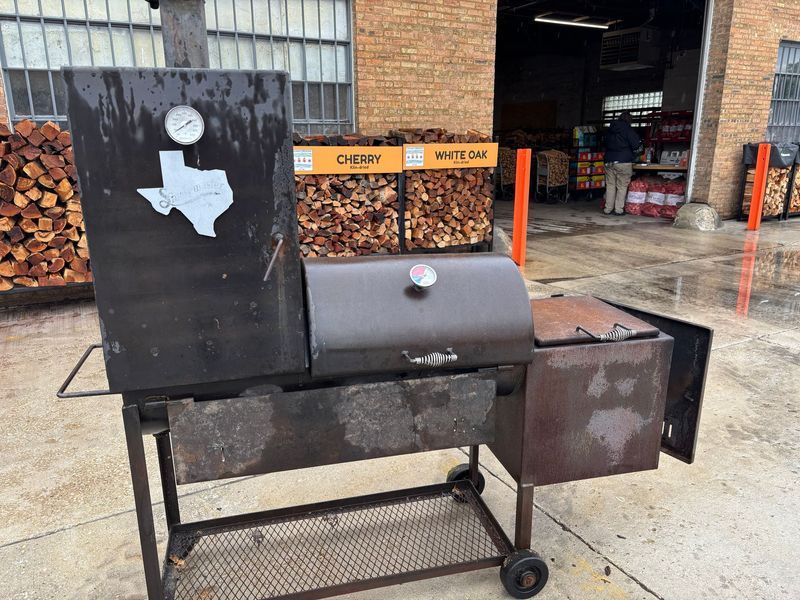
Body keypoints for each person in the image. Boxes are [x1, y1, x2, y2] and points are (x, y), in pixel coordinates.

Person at [603, 111, 642, 215]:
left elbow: (604, 143)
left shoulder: (610, 130)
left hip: (609, 160)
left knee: (610, 185)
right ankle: (618, 210)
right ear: (629, 120)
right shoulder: (628, 130)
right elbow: (635, 145)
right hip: (623, 161)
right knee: (622, 186)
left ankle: (608, 209)